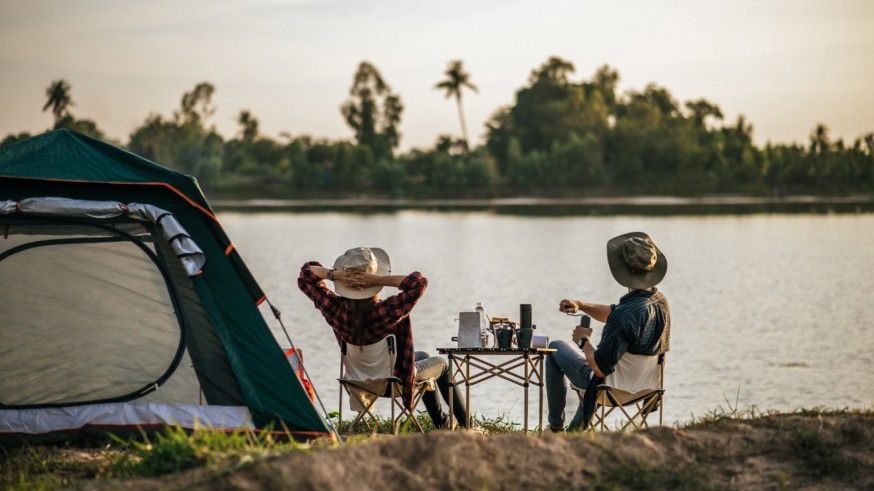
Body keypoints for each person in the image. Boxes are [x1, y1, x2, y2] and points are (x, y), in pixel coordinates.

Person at [297, 246, 471, 430]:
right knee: (442, 365)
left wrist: (335, 276)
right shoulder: (385, 311)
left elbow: (306, 274)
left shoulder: (333, 309)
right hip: (394, 383)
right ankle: (467, 425)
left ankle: (442, 422)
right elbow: (418, 283)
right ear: (373, 282)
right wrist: (376, 279)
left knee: (423, 355)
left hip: (358, 382)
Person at [545, 232, 671, 431]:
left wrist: (583, 340)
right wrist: (581, 305)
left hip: (611, 390)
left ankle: (555, 428)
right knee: (602, 370)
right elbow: (615, 314)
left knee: (555, 349)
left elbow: (599, 368)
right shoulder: (660, 303)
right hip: (646, 388)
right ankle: (573, 434)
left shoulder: (625, 314)